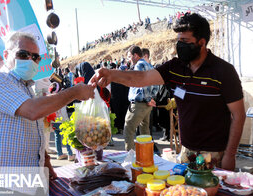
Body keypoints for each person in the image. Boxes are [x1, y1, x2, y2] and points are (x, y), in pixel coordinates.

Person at [0, 32, 95, 196]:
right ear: (6, 54)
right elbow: (32, 111)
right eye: (24, 54)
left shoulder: (27, 88)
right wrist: (74, 92)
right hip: (4, 181)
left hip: (31, 178)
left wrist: (47, 164)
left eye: (36, 57)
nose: (31, 61)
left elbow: (34, 132)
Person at [92, 13, 245, 170]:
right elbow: (141, 78)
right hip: (186, 152)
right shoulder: (174, 67)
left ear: (202, 42)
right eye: (178, 40)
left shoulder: (223, 71)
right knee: (185, 194)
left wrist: (230, 154)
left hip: (215, 154)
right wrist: (111, 74)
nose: (179, 45)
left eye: (185, 41)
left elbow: (239, 115)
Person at [122, 45, 159, 151]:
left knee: (128, 130)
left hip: (139, 105)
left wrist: (148, 99)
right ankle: (146, 158)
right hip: (146, 106)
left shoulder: (139, 65)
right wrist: (151, 98)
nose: (129, 59)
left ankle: (129, 159)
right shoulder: (150, 66)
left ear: (135, 55)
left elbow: (143, 84)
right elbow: (157, 83)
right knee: (145, 133)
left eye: (129, 56)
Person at [49, 82, 75, 161]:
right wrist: (67, 121)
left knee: (57, 137)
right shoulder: (61, 98)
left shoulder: (50, 98)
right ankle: (70, 154)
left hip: (54, 121)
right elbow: (63, 112)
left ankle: (59, 154)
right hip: (62, 121)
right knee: (66, 137)